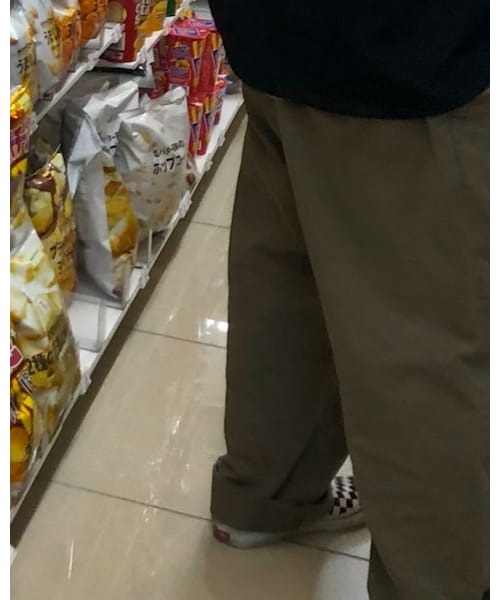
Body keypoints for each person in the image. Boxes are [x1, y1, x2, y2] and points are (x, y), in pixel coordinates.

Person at [208, 1, 489, 598]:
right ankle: (434, 582)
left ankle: (264, 496)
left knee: (286, 271)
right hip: (407, 50)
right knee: (421, 340)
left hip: (268, 31)